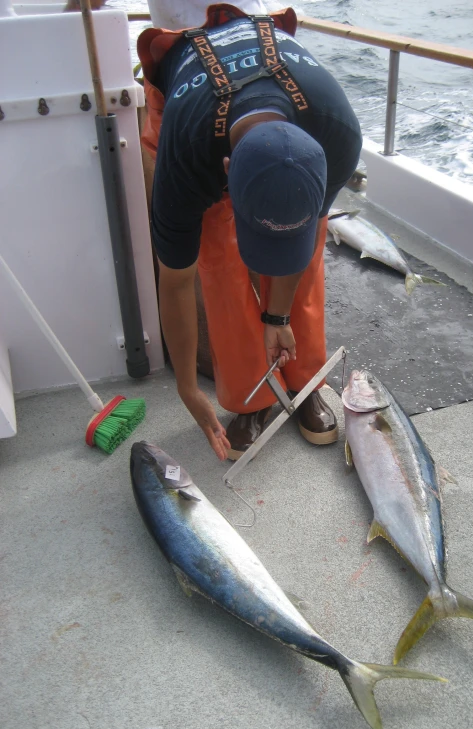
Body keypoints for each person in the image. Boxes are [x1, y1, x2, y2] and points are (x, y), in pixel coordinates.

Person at [138, 4, 362, 461]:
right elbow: (176, 280)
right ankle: (250, 397)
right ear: (225, 176)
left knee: (307, 248)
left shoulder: (336, 133)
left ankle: (302, 382)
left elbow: (298, 231)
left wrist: (276, 318)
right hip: (192, 86)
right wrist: (185, 386)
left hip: (271, 74)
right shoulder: (186, 164)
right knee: (219, 262)